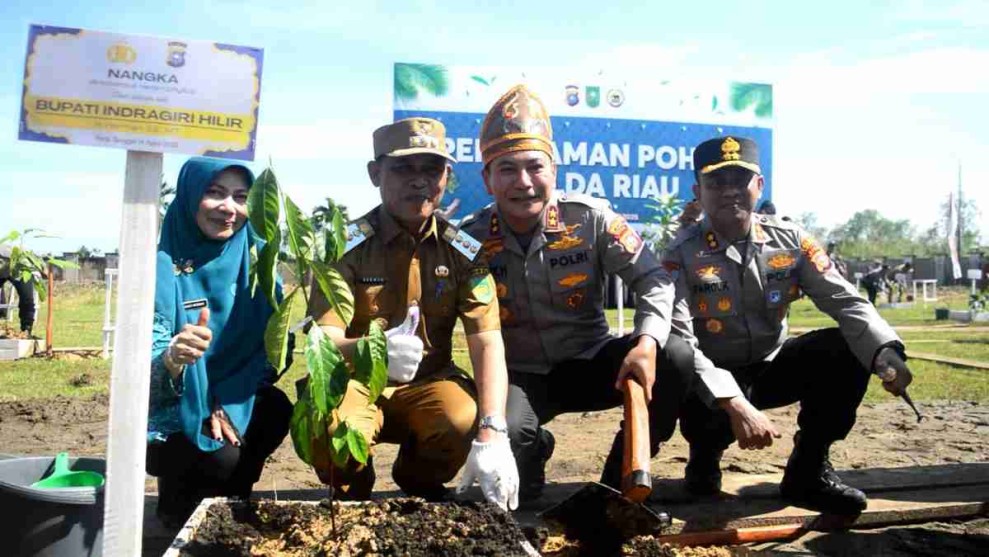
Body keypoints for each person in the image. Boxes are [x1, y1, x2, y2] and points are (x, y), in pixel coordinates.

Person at [460, 84, 695, 501]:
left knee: (673, 355)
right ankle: (535, 447)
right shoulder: (469, 239)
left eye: (535, 167)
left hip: (592, 363)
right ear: (487, 179)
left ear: (554, 170)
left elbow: (654, 280)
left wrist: (646, 342)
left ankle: (614, 487)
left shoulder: (590, 219)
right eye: (507, 169)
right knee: (507, 453)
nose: (523, 182)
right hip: (520, 376)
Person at [665, 136, 914, 514]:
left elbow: (844, 299)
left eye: (740, 179)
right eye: (716, 182)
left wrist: (885, 352)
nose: (730, 190)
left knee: (844, 348)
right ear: (698, 192)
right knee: (677, 361)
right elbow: (679, 336)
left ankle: (809, 470)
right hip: (711, 376)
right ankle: (705, 455)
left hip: (771, 365)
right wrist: (735, 403)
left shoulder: (791, 240)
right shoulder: (679, 252)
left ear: (759, 185)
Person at [307, 118, 519, 510]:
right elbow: (323, 340)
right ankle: (353, 487)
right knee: (332, 426)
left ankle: (418, 480)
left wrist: (494, 431)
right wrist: (372, 349)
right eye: (403, 168)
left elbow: (486, 340)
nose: (419, 181)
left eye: (432, 169)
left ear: (447, 177)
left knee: (460, 417)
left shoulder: (463, 250)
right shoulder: (344, 247)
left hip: (428, 381)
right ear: (375, 173)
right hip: (355, 381)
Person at [147, 157, 293, 527]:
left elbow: (276, 350)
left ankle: (232, 501)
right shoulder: (158, 268)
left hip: (233, 394)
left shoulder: (258, 263)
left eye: (241, 197)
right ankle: (177, 502)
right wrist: (173, 358)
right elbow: (140, 370)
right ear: (190, 196)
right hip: (174, 404)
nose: (229, 208)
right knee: (218, 455)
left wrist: (228, 397)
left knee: (274, 409)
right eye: (215, 193)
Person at [0, 244, 37, 334]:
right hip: (2, 261)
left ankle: (26, 329)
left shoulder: (25, 255)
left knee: (27, 297)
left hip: (20, 263)